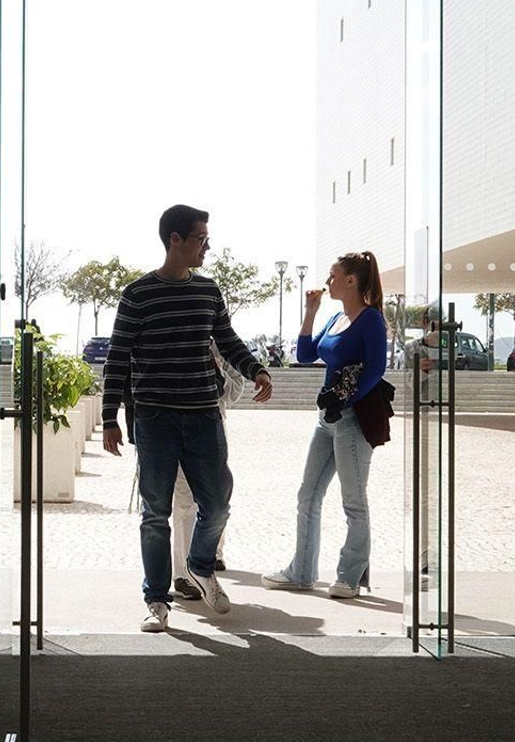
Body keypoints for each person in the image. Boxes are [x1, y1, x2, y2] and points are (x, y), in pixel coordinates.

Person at [103, 204, 273, 633]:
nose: (207, 246)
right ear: (174, 239)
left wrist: (256, 370)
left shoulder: (208, 291)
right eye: (200, 238)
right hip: (155, 418)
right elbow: (117, 360)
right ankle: (157, 601)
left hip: (203, 415)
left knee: (217, 503)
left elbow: (227, 338)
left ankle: (200, 565)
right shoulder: (137, 295)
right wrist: (109, 418)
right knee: (155, 512)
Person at [262, 251, 389, 600]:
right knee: (308, 495)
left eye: (333, 276)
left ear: (351, 280)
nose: (328, 281)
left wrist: (345, 401)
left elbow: (377, 369)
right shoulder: (335, 318)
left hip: (353, 419)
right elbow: (304, 355)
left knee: (353, 501)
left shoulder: (371, 320)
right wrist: (310, 313)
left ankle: (349, 577)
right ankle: (301, 572)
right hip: (326, 420)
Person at [169, 342, 246, 599]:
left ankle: (211, 554)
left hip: (213, 430)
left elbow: (233, 392)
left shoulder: (224, 349)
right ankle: (182, 574)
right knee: (183, 501)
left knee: (216, 500)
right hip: (178, 425)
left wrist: (217, 368)